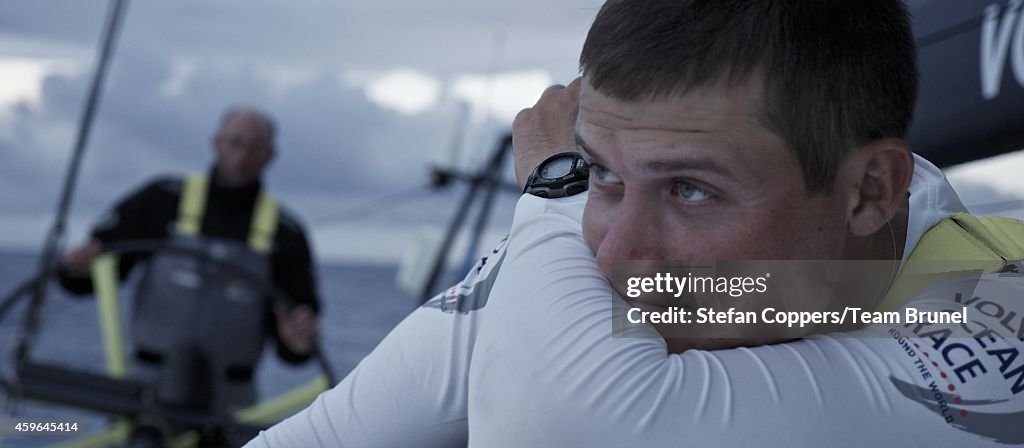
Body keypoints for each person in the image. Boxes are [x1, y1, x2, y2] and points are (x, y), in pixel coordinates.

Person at [247, 1, 1024, 446]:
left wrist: (553, 191)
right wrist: (567, 201)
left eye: (689, 190)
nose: (619, 257)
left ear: (869, 192)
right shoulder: (590, 251)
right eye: (602, 174)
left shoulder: (1004, 308)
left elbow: (563, 431)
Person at [58, 107, 320, 424]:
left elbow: (296, 341)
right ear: (216, 143)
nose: (242, 156)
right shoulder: (160, 200)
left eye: (254, 148)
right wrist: (74, 269)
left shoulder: (287, 233)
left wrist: (298, 342)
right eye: (235, 143)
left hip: (230, 412)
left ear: (270, 155)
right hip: (141, 399)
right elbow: (92, 276)